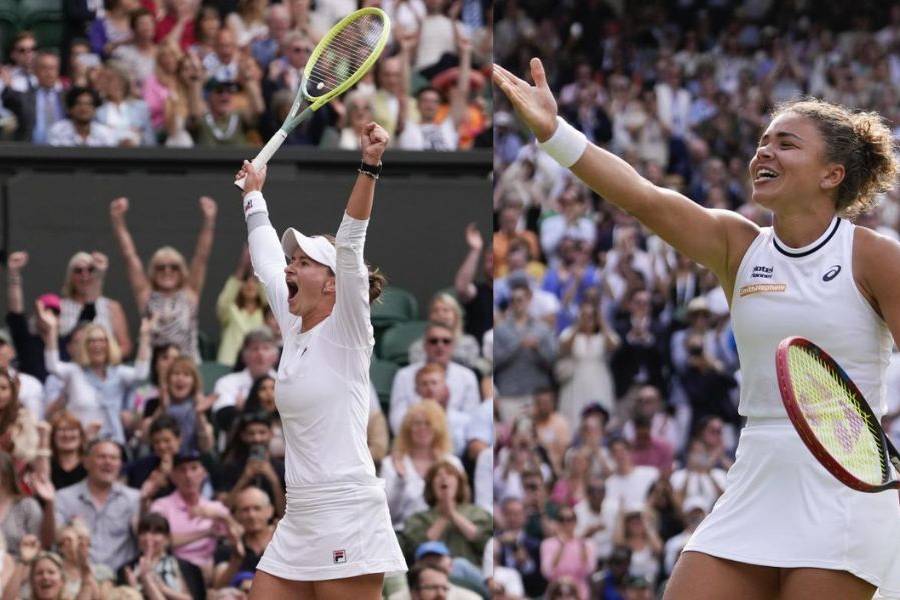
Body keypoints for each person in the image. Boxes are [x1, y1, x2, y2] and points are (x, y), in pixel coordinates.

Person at [494, 60, 900, 598]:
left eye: (786, 144)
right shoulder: (738, 244)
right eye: (762, 142)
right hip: (756, 476)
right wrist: (554, 131)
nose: (764, 153)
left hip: (846, 488)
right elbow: (642, 196)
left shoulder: (875, 257)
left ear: (832, 174)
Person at [234, 122, 406, 598]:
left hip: (347, 510)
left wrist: (369, 165)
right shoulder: (293, 325)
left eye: (304, 262)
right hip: (300, 514)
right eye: (295, 261)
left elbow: (350, 243)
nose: (290, 267)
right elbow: (266, 254)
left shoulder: (349, 330)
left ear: (332, 282)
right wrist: (254, 196)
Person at [109, 194, 217, 362]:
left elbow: (201, 257)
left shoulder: (190, 294)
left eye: (174, 267)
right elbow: (129, 256)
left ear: (182, 271)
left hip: (187, 368)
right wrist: (118, 220)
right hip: (153, 370)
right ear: (153, 271)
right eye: (161, 267)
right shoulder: (146, 296)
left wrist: (209, 220)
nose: (167, 271)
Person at [38, 308, 152, 445]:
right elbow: (53, 366)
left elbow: (141, 374)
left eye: (102, 340)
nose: (97, 345)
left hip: (113, 443)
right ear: (84, 346)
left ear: (109, 344)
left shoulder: (118, 373)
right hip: (82, 443)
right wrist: (52, 331)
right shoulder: (74, 372)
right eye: (91, 341)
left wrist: (145, 337)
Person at [54, 440, 141, 572]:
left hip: (121, 579)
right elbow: (54, 540)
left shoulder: (134, 498)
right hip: (78, 576)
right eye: (101, 457)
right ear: (86, 462)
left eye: (114, 458)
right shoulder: (64, 497)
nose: (108, 462)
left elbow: (145, 539)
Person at [381, 400, 463, 530]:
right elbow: (386, 513)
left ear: (438, 429)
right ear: (407, 429)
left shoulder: (452, 463)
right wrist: (400, 481)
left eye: (428, 424)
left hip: (445, 532)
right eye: (417, 424)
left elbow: (462, 505)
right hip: (405, 532)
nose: (422, 429)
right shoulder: (391, 464)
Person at [399, 460, 492, 568]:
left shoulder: (477, 513)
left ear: (459, 483)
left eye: (450, 474)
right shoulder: (418, 519)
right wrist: (444, 517)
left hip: (470, 575)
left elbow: (485, 544)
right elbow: (416, 548)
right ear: (431, 485)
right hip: (431, 575)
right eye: (438, 475)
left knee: (458, 564)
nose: (444, 478)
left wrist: (452, 514)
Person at [117, 512, 195, 600]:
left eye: (155, 533)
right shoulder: (127, 569)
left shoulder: (184, 566)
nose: (148, 538)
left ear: (167, 538)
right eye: (143, 533)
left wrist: (161, 588)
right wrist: (134, 587)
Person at [211, 486, 275, 589]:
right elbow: (218, 588)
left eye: (257, 508)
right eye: (245, 510)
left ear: (270, 511)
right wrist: (236, 559)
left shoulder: (283, 543)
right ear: (236, 515)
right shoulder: (227, 548)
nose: (251, 515)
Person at [216, 247, 267, 367]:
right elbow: (226, 299)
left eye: (254, 281)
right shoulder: (229, 310)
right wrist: (242, 266)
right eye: (245, 281)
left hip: (257, 367)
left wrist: (257, 265)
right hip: (229, 364)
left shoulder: (265, 313)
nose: (250, 284)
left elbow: (269, 295)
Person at [48, 86, 119, 147]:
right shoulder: (57, 131)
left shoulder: (105, 133)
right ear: (70, 109)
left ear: (94, 110)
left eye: (88, 104)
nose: (84, 108)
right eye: (79, 103)